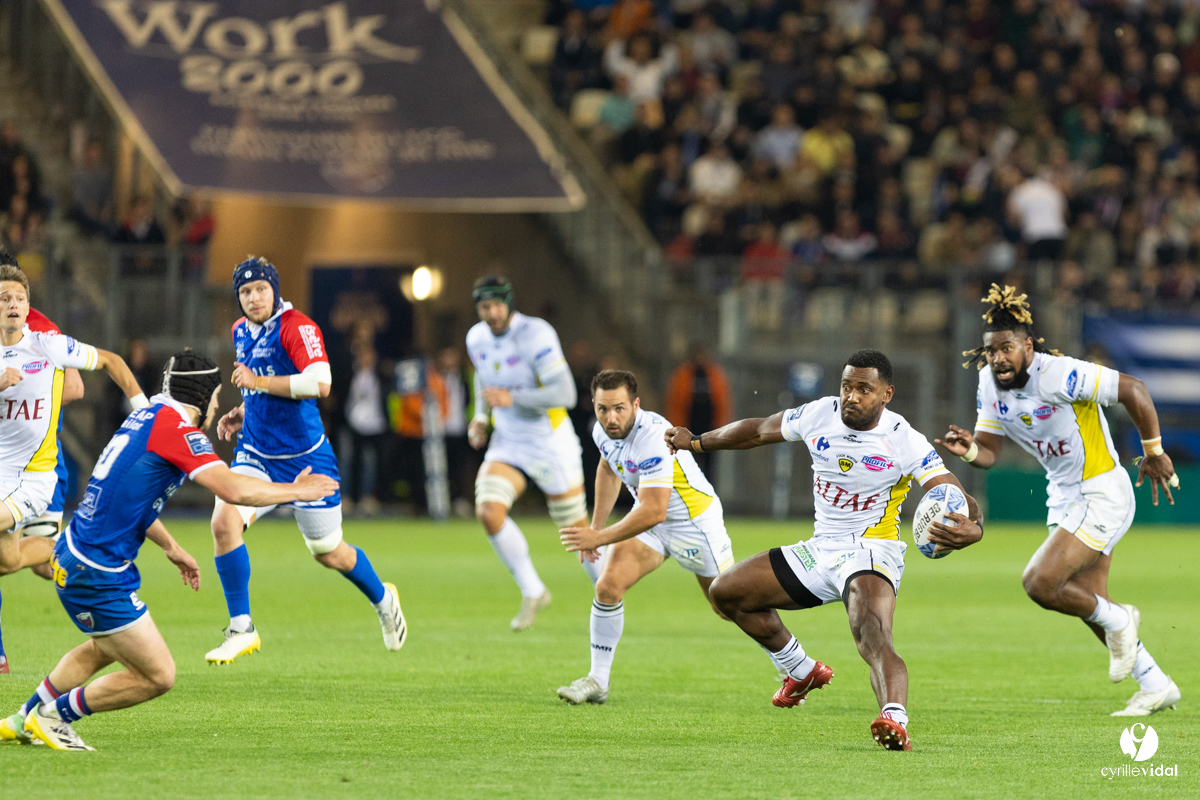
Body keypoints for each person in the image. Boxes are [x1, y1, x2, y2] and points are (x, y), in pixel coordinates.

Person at [0, 352, 338, 750]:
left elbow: (130, 499)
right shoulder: (178, 431)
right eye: (214, 398)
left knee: (103, 648)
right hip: (96, 572)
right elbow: (234, 489)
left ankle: (22, 718)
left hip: (75, 553)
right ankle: (53, 715)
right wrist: (299, 491)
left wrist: (171, 546)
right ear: (202, 395)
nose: (215, 407)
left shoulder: (146, 417)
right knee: (158, 675)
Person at [664, 349, 984, 751]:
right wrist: (696, 442)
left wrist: (977, 526)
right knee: (726, 593)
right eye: (847, 386)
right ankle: (799, 669)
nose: (851, 396)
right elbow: (759, 430)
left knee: (872, 634)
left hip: (872, 550)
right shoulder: (820, 413)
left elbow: (951, 492)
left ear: (886, 393)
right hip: (820, 549)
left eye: (863, 389)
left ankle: (894, 719)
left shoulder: (903, 438)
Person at [940, 285, 1181, 717]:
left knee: (1040, 582)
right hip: (1063, 494)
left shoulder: (1061, 374)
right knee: (1090, 602)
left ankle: (1124, 621)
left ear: (1027, 346)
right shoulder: (988, 382)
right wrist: (971, 451)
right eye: (991, 350)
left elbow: (1136, 389)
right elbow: (991, 450)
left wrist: (1154, 451)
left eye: (1007, 348)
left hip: (1101, 490)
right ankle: (1156, 683)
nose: (998, 358)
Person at [204, 257, 406, 664]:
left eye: (261, 288)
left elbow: (320, 382)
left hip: (305, 460)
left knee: (329, 551)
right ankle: (241, 629)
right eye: (245, 292)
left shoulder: (298, 326)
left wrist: (258, 383)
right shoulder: (240, 330)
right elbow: (261, 385)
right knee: (224, 522)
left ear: (274, 290)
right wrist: (246, 409)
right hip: (257, 454)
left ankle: (383, 599)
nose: (253, 297)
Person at [556, 370, 734, 705]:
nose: (611, 417)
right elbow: (608, 468)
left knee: (729, 605)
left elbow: (655, 509)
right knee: (608, 587)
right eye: (602, 408)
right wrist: (595, 528)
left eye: (619, 408)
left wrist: (600, 538)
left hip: (694, 523)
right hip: (653, 523)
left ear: (635, 404)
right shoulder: (603, 432)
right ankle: (598, 680)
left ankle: (795, 665)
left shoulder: (653, 436)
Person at [0, 259, 147, 584]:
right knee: (8, 562)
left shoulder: (48, 345)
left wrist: (144, 410)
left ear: (27, 308)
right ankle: (82, 546)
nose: (13, 305)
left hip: (33, 477)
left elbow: (112, 360)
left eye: (19, 299)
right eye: (5, 298)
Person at [466, 276, 594, 631]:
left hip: (550, 441)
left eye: (496, 306)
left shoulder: (535, 334)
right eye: (484, 307)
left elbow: (566, 394)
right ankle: (533, 590)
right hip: (509, 440)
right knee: (488, 510)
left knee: (577, 532)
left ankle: (608, 591)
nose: (491, 313)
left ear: (509, 304)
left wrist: (513, 399)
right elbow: (482, 376)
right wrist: (481, 416)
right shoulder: (476, 337)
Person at [0, 303, 86, 674]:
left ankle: (92, 558)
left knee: (41, 567)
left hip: (35, 462)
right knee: (8, 560)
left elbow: (76, 387)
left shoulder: (38, 328)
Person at [664, 344, 731, 476]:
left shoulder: (715, 375)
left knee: (709, 467)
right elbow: (675, 403)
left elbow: (722, 402)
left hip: (710, 429)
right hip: (688, 428)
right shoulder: (682, 375)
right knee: (687, 464)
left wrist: (721, 428)